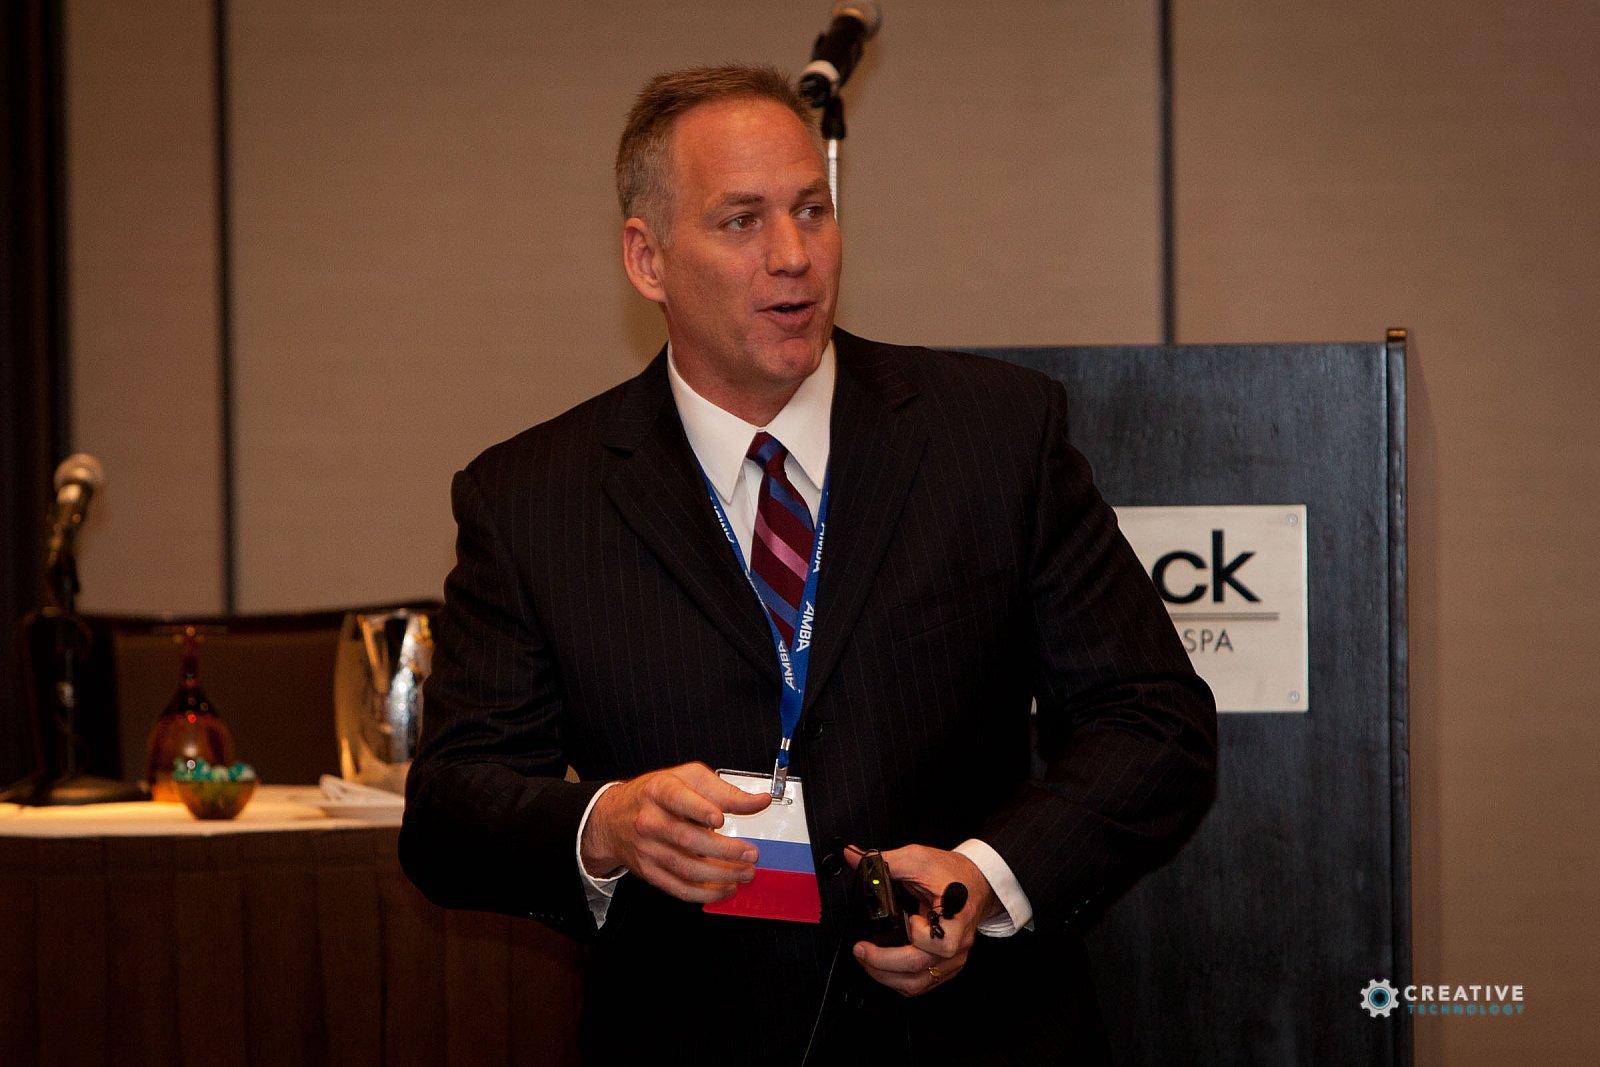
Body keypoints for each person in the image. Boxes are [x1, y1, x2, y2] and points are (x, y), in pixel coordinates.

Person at [400, 64, 1216, 1065]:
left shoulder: (994, 436)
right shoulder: (532, 498)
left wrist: (986, 874)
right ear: (647, 259)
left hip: (969, 1039)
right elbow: (450, 809)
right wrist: (604, 823)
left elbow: (1152, 721)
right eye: (741, 220)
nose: (793, 256)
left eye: (812, 210)